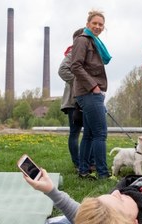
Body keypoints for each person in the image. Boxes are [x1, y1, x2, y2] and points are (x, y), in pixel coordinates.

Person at [70, 10, 112, 179]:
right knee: (100, 134)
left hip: (91, 92)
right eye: (94, 23)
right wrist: (93, 85)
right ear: (87, 24)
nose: (97, 26)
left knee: (88, 134)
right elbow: (75, 66)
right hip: (88, 92)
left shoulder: (95, 42)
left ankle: (84, 170)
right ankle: (103, 174)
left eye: (101, 24)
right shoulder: (82, 40)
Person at [58, 28, 85, 171]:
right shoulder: (73, 51)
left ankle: (86, 161)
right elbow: (62, 70)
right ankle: (78, 163)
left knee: (90, 132)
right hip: (73, 101)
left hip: (85, 98)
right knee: (75, 132)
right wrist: (80, 80)